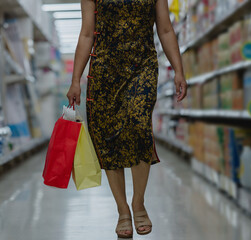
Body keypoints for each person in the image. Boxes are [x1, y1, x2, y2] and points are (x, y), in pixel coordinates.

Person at [67, 0, 187, 238]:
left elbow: (164, 29)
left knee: (139, 126)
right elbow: (87, 33)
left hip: (142, 66)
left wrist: (179, 70)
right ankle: (122, 210)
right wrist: (75, 80)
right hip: (104, 68)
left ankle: (139, 202)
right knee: (108, 136)